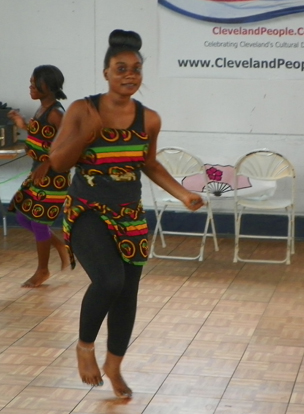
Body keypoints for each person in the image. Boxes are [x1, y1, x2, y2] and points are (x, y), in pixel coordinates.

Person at [49, 29, 203, 399]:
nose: (129, 75)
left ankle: (114, 366)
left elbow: (148, 164)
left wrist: (183, 194)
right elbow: (56, 163)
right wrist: (85, 136)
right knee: (109, 281)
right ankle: (85, 347)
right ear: (106, 73)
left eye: (135, 69)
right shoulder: (82, 109)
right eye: (121, 68)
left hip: (129, 214)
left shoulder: (148, 119)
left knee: (128, 292)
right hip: (86, 209)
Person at [8, 65, 70, 288]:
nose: (31, 87)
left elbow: (69, 145)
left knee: (39, 221)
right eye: (31, 83)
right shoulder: (42, 109)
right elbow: (41, 135)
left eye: (35, 83)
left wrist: (48, 163)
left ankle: (42, 271)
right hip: (38, 171)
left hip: (54, 176)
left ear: (48, 86)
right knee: (24, 217)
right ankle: (60, 246)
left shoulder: (57, 113)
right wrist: (21, 124)